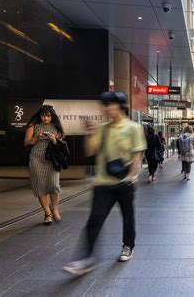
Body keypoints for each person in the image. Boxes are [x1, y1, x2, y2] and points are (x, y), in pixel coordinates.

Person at [63, 92, 146, 275]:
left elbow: (137, 156)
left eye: (111, 104)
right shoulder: (103, 128)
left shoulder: (133, 128)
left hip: (124, 182)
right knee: (95, 220)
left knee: (128, 216)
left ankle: (128, 246)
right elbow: (89, 150)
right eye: (105, 105)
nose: (107, 108)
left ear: (120, 105)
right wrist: (89, 133)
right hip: (103, 182)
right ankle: (86, 259)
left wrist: (131, 177)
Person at [24, 105, 65, 225]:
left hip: (52, 159)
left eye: (48, 116)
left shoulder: (57, 127)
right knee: (40, 185)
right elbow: (26, 142)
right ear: (39, 115)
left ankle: (55, 209)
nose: (45, 118)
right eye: (43, 115)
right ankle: (47, 214)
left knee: (54, 185)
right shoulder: (33, 126)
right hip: (36, 157)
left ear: (52, 116)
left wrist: (54, 139)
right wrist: (36, 137)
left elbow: (62, 142)